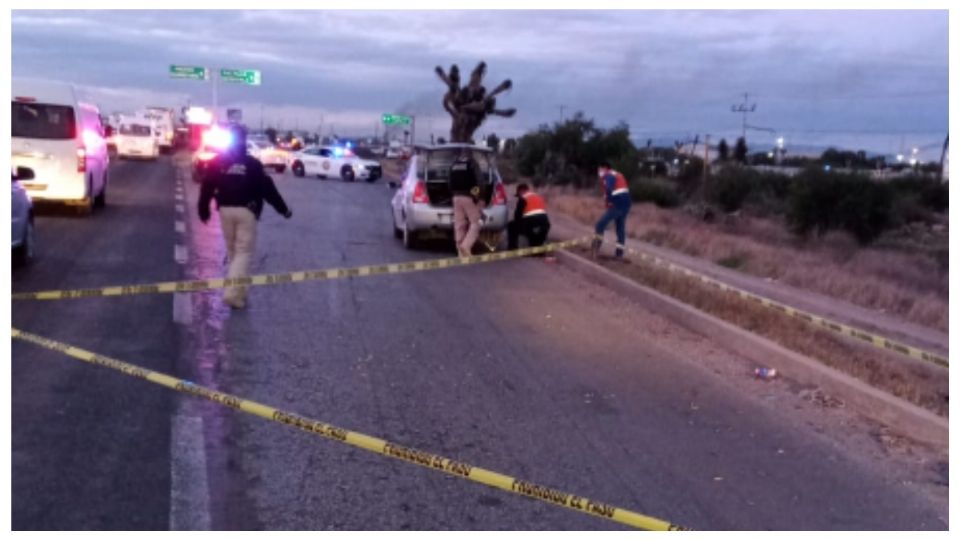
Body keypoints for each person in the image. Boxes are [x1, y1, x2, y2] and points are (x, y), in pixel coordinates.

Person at [198, 124, 292, 309]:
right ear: (245, 141)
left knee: (234, 252)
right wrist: (284, 210)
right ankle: (233, 294)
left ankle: (239, 294)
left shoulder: (219, 161)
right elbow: (268, 189)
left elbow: (207, 185)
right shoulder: (253, 164)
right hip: (246, 211)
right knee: (243, 252)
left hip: (225, 210)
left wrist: (203, 208)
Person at [592, 161, 632, 261]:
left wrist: (609, 201)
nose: (599, 171)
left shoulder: (608, 176)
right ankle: (619, 254)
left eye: (600, 169)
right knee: (620, 229)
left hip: (618, 204)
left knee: (600, 225)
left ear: (605, 168)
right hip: (626, 204)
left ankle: (595, 249)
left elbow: (609, 189)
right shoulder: (617, 174)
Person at [449, 148, 485, 257]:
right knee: (477, 222)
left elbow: (449, 182)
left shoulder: (454, 164)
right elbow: (479, 182)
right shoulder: (472, 163)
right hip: (468, 197)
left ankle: (460, 252)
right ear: (470, 154)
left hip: (455, 197)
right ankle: (466, 246)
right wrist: (478, 196)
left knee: (459, 224)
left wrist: (453, 194)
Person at [507, 183, 551, 252]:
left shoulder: (523, 198)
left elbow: (517, 217)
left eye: (518, 195)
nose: (519, 197)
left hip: (530, 225)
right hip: (545, 225)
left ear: (521, 191)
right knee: (535, 246)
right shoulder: (538, 197)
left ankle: (512, 249)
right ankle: (539, 247)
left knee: (511, 225)